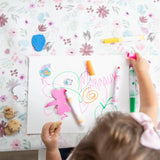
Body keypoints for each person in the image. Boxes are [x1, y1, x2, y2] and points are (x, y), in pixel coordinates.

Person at [41, 53, 160, 160]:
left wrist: (52, 149)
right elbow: (150, 105)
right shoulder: (145, 143)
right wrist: (142, 71)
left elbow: (150, 106)